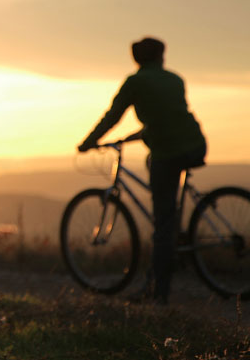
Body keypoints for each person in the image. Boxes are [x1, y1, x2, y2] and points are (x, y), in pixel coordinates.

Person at [78, 37, 206, 304]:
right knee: (164, 195)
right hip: (196, 144)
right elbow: (167, 117)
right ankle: (176, 241)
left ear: (137, 59)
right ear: (161, 56)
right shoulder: (175, 79)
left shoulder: (135, 83)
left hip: (167, 152)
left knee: (163, 223)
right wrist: (137, 136)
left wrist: (89, 142)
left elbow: (112, 116)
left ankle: (157, 291)